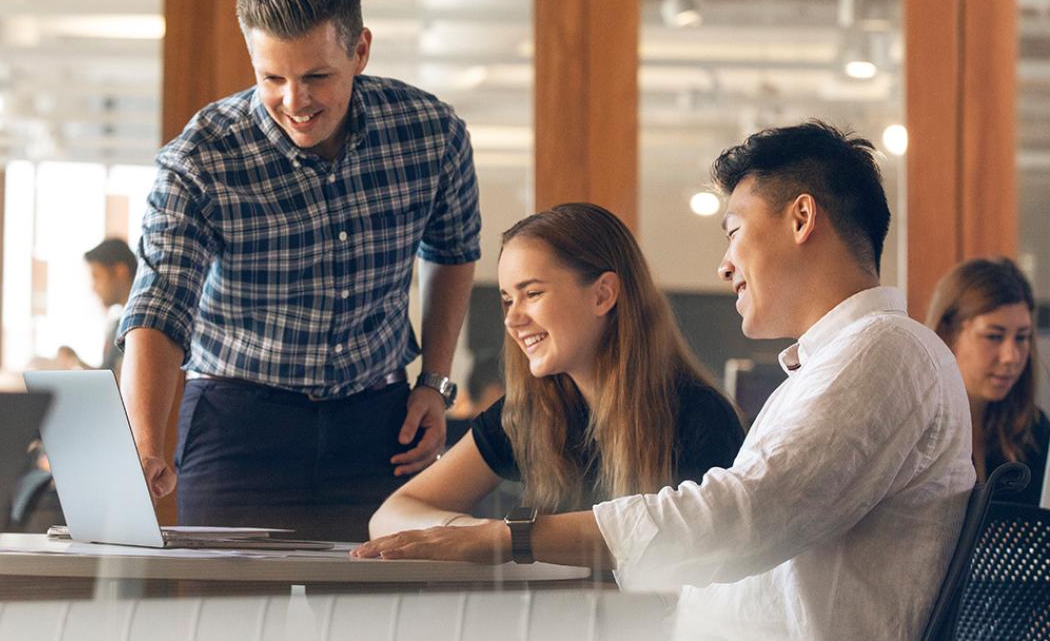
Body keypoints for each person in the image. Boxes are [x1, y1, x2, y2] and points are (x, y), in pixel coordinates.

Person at [355, 121, 975, 641]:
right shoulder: (838, 364)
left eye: (734, 230)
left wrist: (507, 539)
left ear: (802, 217)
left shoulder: (887, 350)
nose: (724, 262)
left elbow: (742, 518)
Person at [117, 0, 480, 540]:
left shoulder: (431, 134)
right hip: (238, 418)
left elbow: (453, 252)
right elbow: (159, 305)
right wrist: (146, 440)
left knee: (380, 619)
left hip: (377, 420)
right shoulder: (201, 158)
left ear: (360, 50)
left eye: (316, 76)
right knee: (225, 621)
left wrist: (434, 383)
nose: (295, 102)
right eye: (272, 78)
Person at [367, 203, 744, 539]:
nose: (513, 319)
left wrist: (512, 541)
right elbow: (390, 515)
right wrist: (492, 538)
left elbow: (708, 562)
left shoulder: (700, 417)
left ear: (602, 295)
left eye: (532, 294)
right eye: (507, 300)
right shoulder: (528, 413)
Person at [927, 257, 1049, 506]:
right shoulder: (917, 429)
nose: (1011, 357)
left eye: (1022, 337)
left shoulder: (1033, 429)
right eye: (994, 336)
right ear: (949, 334)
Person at [84, 238, 138, 376]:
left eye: (96, 276)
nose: (93, 288)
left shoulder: (141, 326)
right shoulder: (117, 324)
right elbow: (107, 376)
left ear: (120, 271)